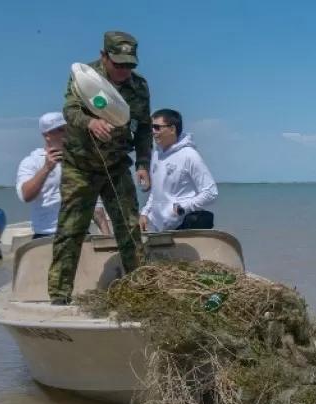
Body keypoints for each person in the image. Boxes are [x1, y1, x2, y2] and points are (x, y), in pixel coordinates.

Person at [47, 30, 152, 305]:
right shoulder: (84, 77)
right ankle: (59, 295)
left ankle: (139, 292)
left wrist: (143, 164)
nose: (125, 71)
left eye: (130, 65)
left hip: (116, 166)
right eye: (119, 65)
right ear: (104, 56)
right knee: (71, 230)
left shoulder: (139, 87)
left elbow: (143, 130)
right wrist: (90, 123)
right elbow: (70, 111)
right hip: (79, 167)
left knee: (130, 228)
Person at [16, 112, 110, 239]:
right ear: (46, 135)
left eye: (67, 128)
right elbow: (25, 196)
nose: (66, 133)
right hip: (47, 235)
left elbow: (95, 205)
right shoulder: (31, 162)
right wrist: (46, 169)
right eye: (59, 130)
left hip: (80, 235)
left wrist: (108, 238)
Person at [140, 109, 219, 232]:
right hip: (159, 227)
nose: (153, 132)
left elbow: (211, 192)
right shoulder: (156, 154)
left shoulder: (189, 155)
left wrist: (182, 207)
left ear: (172, 129)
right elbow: (156, 190)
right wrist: (145, 212)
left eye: (157, 127)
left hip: (181, 225)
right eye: (152, 127)